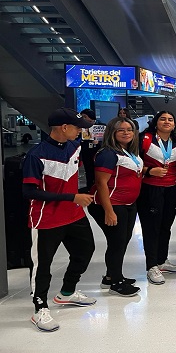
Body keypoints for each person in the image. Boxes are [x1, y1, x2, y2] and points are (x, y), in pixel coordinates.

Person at [23, 108, 96, 332]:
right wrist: (71, 197)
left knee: (86, 250)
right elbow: (29, 192)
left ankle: (67, 292)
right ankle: (39, 308)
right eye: (77, 128)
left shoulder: (75, 147)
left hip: (73, 214)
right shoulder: (36, 155)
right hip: (46, 219)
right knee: (42, 265)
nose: (81, 132)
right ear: (64, 128)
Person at [88, 117, 142, 297]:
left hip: (127, 204)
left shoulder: (127, 152)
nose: (126, 133)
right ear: (112, 132)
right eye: (121, 130)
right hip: (111, 204)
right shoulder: (107, 154)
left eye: (129, 129)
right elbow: (101, 183)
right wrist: (109, 211)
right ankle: (116, 283)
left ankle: (111, 276)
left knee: (123, 240)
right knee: (117, 243)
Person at [137, 111, 176, 285]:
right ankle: (151, 265)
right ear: (156, 122)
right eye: (163, 119)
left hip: (172, 189)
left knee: (166, 226)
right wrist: (150, 171)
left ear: (174, 124)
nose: (167, 122)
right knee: (152, 228)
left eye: (170, 119)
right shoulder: (144, 139)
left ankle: (162, 260)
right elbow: (132, 163)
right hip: (150, 189)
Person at [79, 108, 100, 192]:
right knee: (88, 172)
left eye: (85, 116)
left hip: (98, 153)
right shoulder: (80, 127)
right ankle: (89, 189)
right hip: (86, 152)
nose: (83, 118)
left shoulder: (101, 126)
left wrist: (98, 143)